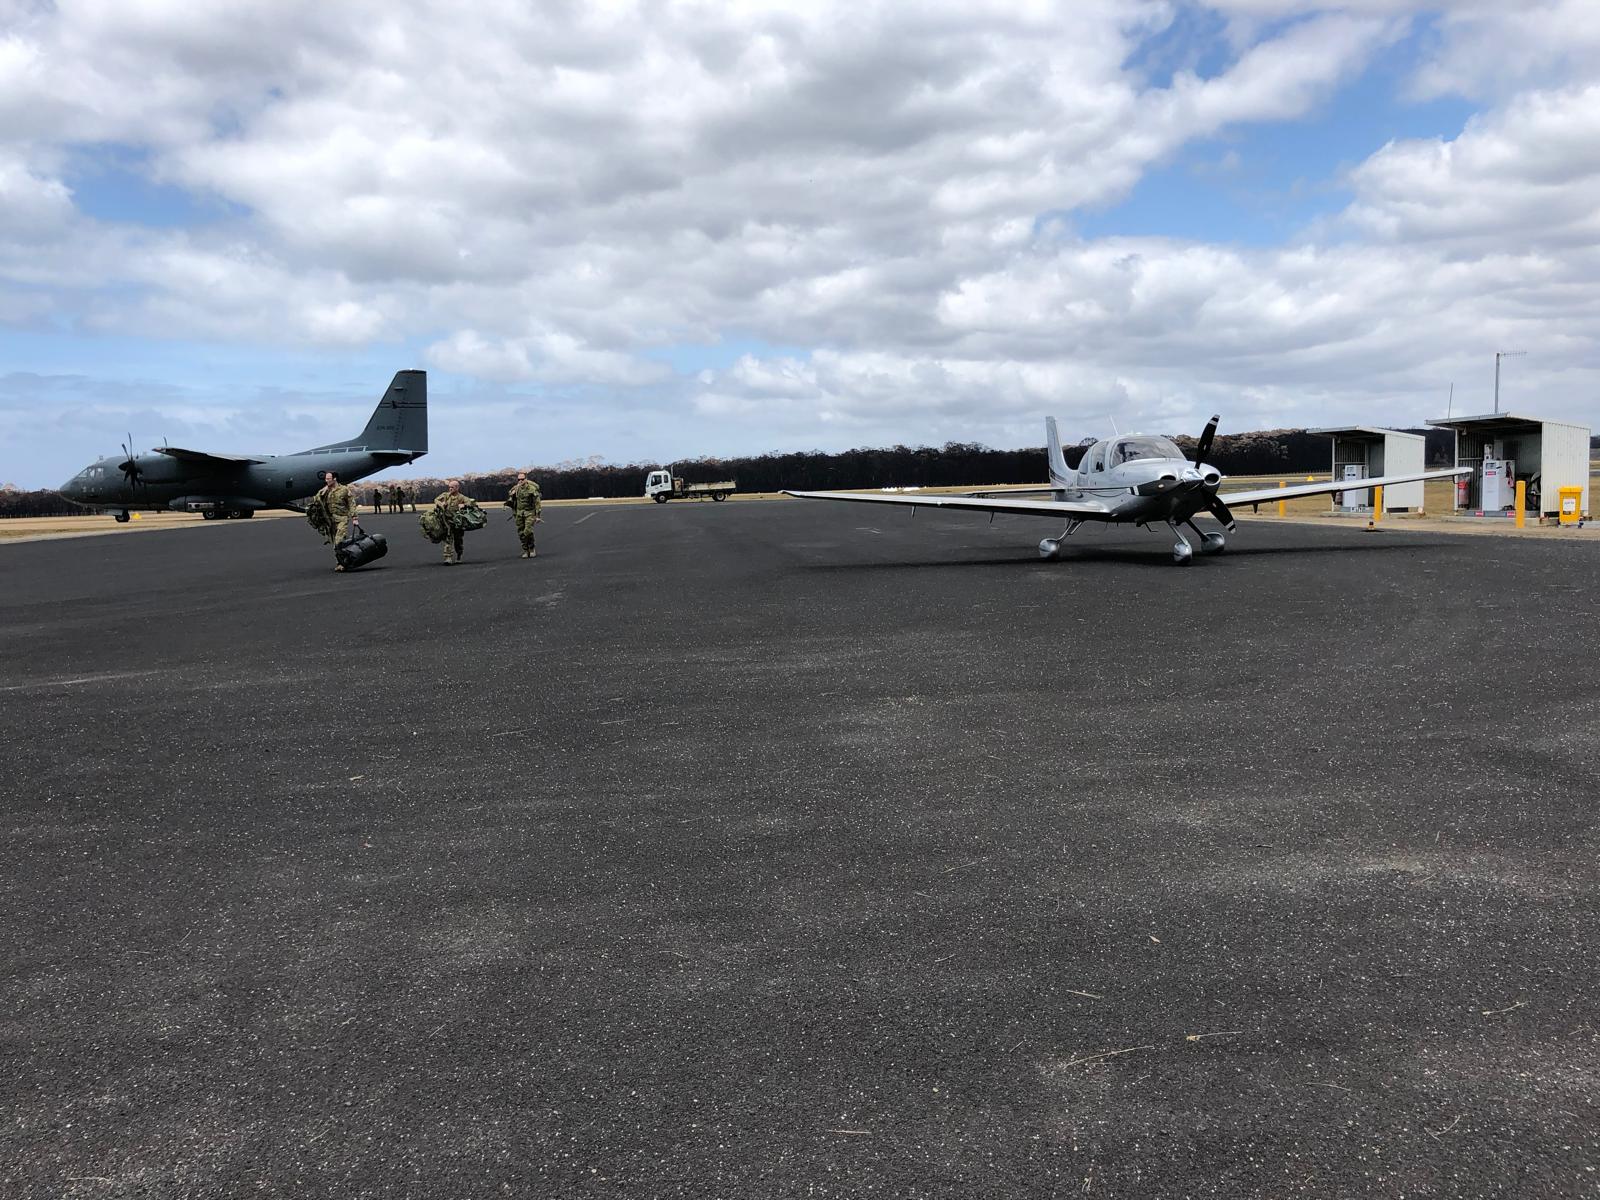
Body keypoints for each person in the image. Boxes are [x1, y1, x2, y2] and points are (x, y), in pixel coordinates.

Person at [314, 471, 357, 572]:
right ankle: (341, 562)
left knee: (339, 541)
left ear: (335, 479)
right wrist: (322, 493)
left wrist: (354, 518)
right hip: (330, 521)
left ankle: (342, 563)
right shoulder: (324, 491)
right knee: (334, 544)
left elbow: (351, 503)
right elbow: (316, 501)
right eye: (326, 479)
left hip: (342, 519)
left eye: (328, 478)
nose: (326, 480)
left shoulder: (344, 490)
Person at [432, 479, 473, 564]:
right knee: (448, 539)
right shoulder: (446, 495)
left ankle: (459, 555)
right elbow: (436, 500)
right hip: (447, 521)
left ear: (457, 488)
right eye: (449, 487)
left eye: (452, 487)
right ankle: (448, 557)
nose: (450, 489)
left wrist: (464, 505)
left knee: (458, 540)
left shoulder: (461, 497)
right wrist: (441, 504)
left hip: (458, 522)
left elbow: (470, 502)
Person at [505, 470, 542, 558]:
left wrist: (538, 516)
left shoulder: (531, 489)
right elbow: (510, 496)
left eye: (522, 479)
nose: (520, 481)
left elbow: (537, 503)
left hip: (529, 512)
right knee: (521, 532)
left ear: (526, 479)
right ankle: (526, 550)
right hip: (519, 513)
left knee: (527, 531)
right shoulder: (516, 488)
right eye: (518, 479)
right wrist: (512, 494)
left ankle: (532, 548)